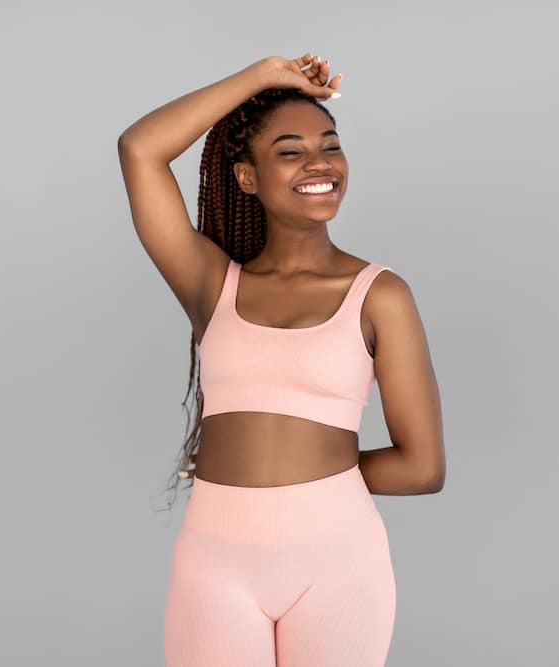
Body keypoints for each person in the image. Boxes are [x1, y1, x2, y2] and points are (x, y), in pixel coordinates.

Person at [117, 52, 445, 666]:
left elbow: (422, 467)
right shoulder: (212, 285)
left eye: (331, 146)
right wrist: (263, 74)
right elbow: (140, 149)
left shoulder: (381, 295)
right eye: (290, 151)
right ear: (247, 177)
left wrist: (299, 476)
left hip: (337, 559)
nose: (319, 163)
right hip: (214, 559)